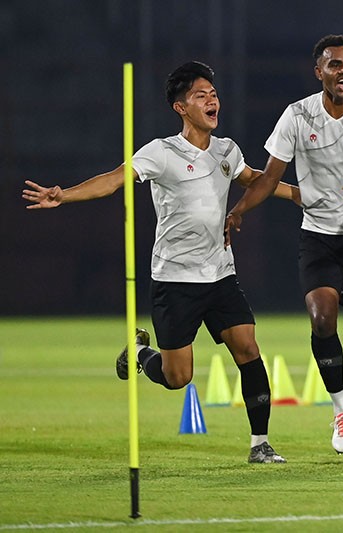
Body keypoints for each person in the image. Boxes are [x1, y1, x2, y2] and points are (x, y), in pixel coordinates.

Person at [22, 61, 286, 464]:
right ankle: (141, 353)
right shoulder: (161, 152)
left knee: (248, 348)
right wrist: (65, 195)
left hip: (220, 273)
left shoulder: (227, 150)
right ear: (181, 107)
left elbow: (257, 179)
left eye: (213, 94)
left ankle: (260, 444)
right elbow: (114, 179)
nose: (212, 100)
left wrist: (303, 195)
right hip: (174, 279)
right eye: (201, 95)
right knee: (179, 377)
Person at [225, 35, 343, 463]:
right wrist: (239, 209)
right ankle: (341, 409)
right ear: (318, 71)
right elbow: (270, 176)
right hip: (320, 233)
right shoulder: (297, 115)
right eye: (335, 64)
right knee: (322, 319)